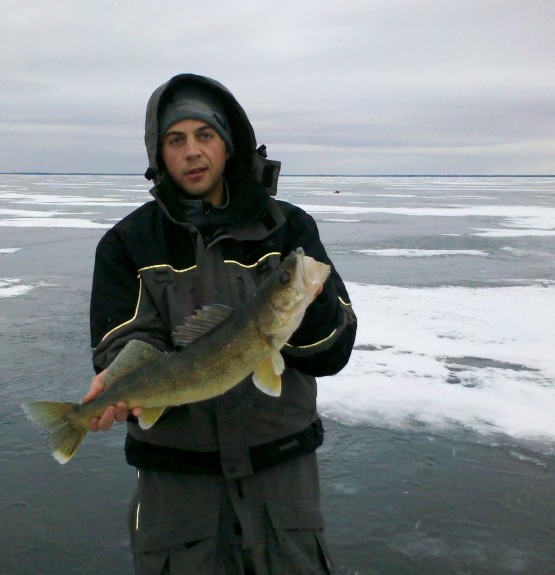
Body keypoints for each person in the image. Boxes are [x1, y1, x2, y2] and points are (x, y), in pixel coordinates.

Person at [85, 73, 357, 574]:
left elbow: (333, 351)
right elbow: (124, 340)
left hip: (282, 478)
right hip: (177, 488)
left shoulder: (287, 227)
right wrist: (121, 383)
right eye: (175, 140)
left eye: (204, 135)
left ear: (228, 144)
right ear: (159, 153)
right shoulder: (127, 243)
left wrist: (309, 304)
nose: (192, 151)